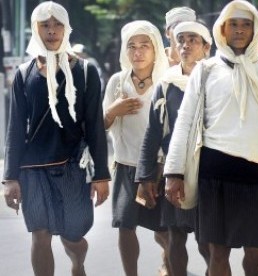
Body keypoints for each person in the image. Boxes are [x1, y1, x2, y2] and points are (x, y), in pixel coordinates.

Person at [163, 1, 258, 275]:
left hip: (256, 173)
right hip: (213, 173)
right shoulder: (206, 70)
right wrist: (174, 172)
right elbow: (185, 123)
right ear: (222, 29)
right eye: (233, 24)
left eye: (246, 24)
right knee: (217, 252)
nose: (239, 30)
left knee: (257, 254)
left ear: (255, 29)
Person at [2, 2, 110, 276]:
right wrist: (9, 178)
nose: (51, 31)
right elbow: (15, 128)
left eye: (57, 24)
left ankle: (77, 264)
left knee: (73, 236)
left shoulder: (86, 72)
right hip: (33, 169)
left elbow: (95, 125)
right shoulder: (24, 74)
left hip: (72, 166)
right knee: (40, 235)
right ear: (35, 29)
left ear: (66, 27)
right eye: (44, 25)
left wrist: (101, 175)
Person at [135, 21, 212, 276]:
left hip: (209, 170)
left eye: (193, 39)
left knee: (208, 242)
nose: (186, 45)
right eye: (181, 40)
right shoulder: (166, 84)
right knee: (175, 236)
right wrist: (145, 177)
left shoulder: (217, 79)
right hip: (174, 169)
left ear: (207, 47)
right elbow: (153, 133)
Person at [102, 20, 169, 276]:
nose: (138, 52)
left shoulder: (167, 80)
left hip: (158, 166)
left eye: (145, 46)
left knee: (163, 229)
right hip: (124, 164)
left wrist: (162, 166)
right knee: (125, 225)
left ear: (155, 50)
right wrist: (113, 110)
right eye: (132, 46)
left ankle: (170, 263)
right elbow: (101, 125)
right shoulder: (117, 82)